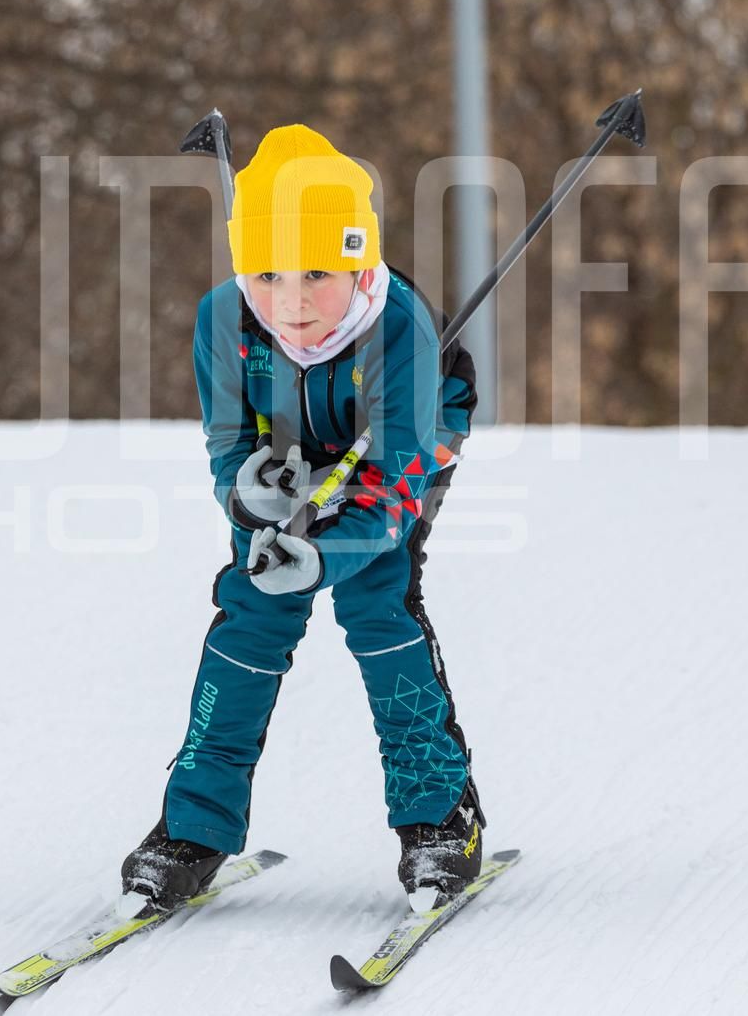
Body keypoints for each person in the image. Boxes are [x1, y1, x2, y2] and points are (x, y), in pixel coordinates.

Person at [120, 123, 485, 911]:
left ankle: (441, 816)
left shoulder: (396, 326)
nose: (292, 301)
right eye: (268, 273)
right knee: (253, 610)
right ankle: (194, 825)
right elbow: (227, 442)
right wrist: (248, 491)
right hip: (288, 455)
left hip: (401, 444)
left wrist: (326, 552)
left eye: (318, 271)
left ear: (359, 261)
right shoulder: (225, 318)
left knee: (377, 602)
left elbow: (392, 486)